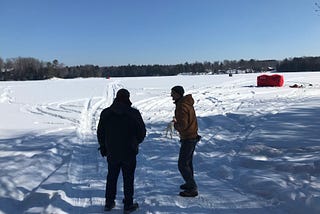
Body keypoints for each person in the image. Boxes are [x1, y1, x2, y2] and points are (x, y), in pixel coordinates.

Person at [97, 88, 146, 213]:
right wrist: (135, 143)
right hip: (129, 151)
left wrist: (103, 146)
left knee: (112, 176)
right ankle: (128, 204)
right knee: (128, 178)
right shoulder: (133, 113)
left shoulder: (106, 113)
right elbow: (141, 132)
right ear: (128, 98)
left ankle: (109, 202)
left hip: (112, 151)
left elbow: (100, 132)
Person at [171, 85, 201, 197]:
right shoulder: (186, 103)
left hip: (188, 137)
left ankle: (192, 188)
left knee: (182, 164)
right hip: (192, 136)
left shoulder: (181, 106)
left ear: (178, 94)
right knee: (188, 163)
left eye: (173, 93)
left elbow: (183, 125)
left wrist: (175, 124)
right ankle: (189, 183)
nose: (171, 96)